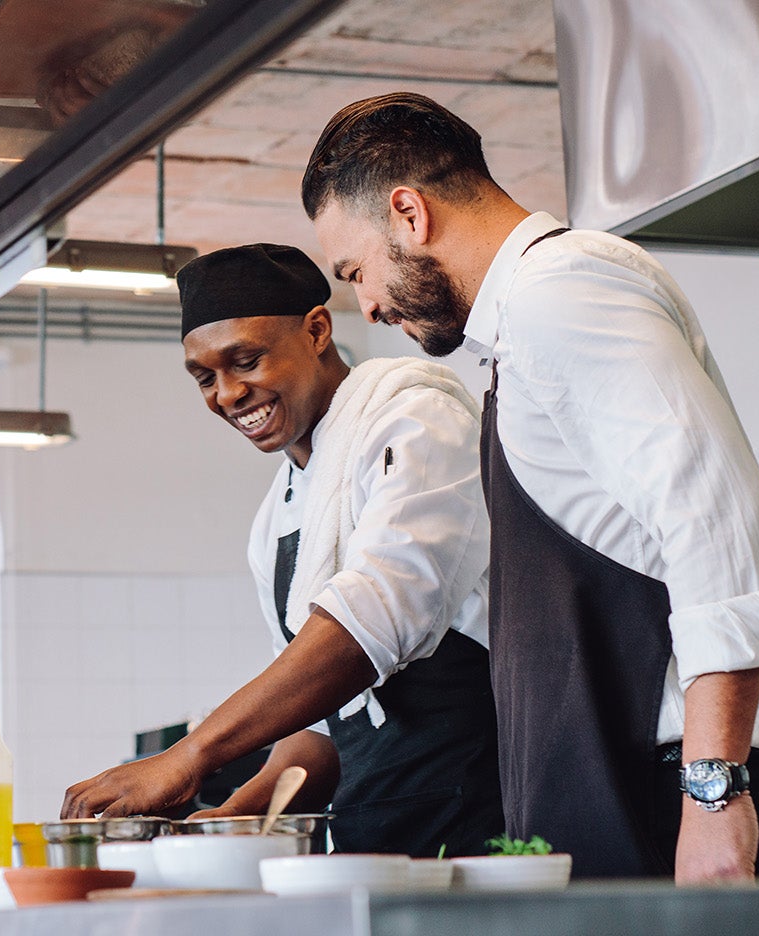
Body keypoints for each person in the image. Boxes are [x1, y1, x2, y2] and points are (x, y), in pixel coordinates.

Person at [301, 92, 759, 881]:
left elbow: (719, 522)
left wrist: (714, 793)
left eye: (355, 270)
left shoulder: (562, 294)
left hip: (678, 800)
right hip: (632, 799)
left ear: (408, 214)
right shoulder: (524, 325)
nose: (367, 304)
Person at [60, 243, 502, 859]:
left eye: (246, 360)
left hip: (480, 822)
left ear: (317, 329)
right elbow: (317, 732)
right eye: (205, 378)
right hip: (367, 838)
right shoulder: (278, 516)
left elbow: (367, 626)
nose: (228, 394)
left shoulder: (419, 425)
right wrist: (229, 821)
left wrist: (188, 757)